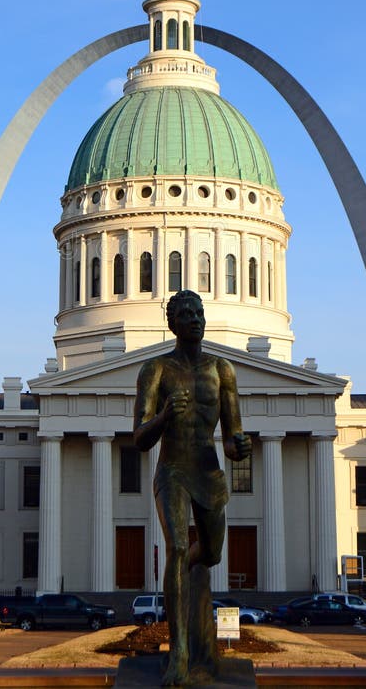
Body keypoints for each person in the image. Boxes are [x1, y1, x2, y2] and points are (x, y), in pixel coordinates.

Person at [134, 290, 251, 686]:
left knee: (211, 554)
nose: (195, 318)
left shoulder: (223, 370)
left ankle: (177, 577)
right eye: (185, 313)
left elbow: (233, 436)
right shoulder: (156, 370)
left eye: (198, 312)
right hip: (173, 471)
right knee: (179, 547)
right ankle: (180, 655)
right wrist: (165, 416)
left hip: (208, 470)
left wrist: (240, 447)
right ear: (172, 324)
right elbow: (139, 438)